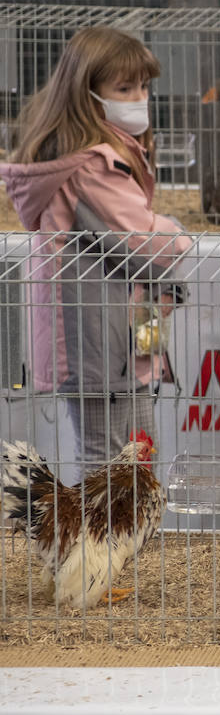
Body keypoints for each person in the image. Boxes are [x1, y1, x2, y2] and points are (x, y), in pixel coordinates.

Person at [0, 27, 191, 474]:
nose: (139, 97)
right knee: (105, 461)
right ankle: (93, 544)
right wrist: (180, 232)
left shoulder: (114, 153)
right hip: (91, 333)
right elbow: (145, 241)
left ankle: (126, 542)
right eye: (124, 88)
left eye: (143, 86)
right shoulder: (92, 167)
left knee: (138, 452)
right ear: (88, 94)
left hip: (120, 330)